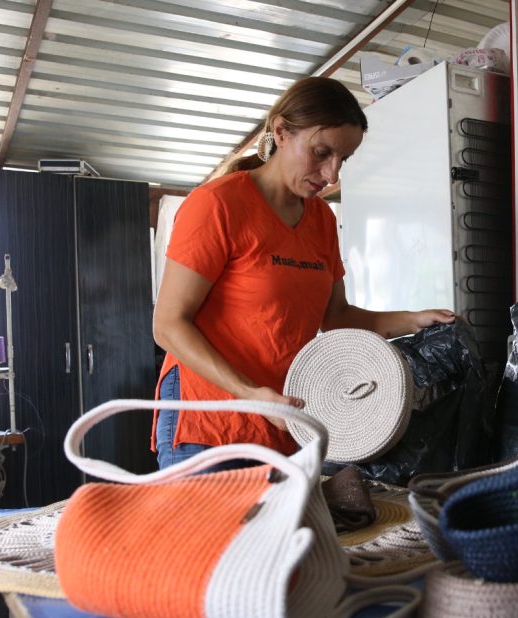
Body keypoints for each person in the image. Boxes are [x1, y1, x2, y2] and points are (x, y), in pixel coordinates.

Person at [152, 77, 455, 469]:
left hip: (285, 419)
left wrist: (414, 320)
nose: (331, 175)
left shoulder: (321, 220)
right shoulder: (217, 205)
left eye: (342, 160)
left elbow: (337, 318)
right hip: (210, 423)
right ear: (281, 132)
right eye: (321, 153)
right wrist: (248, 393)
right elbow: (168, 325)